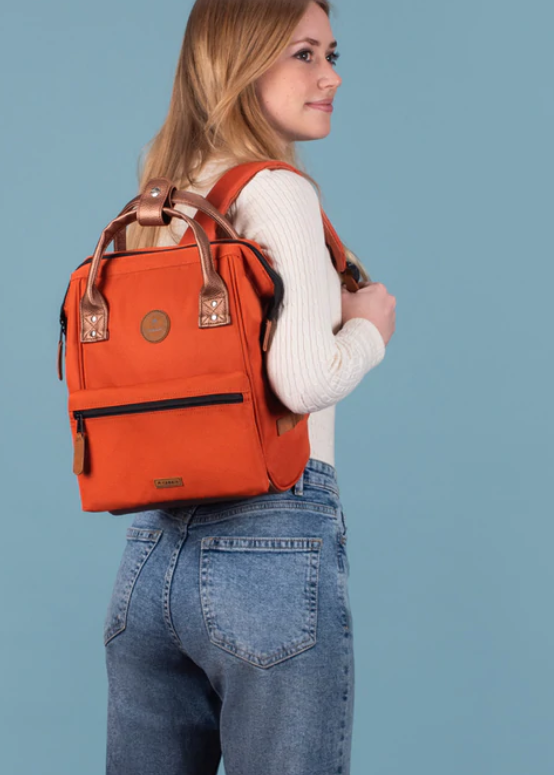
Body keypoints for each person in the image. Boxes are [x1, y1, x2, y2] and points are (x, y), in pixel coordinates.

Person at [103, 1, 397, 773]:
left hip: (150, 555)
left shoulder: (163, 200)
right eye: (304, 54)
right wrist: (369, 329)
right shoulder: (276, 192)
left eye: (331, 54)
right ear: (238, 63)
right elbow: (301, 380)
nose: (330, 76)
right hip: (269, 546)